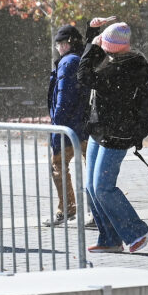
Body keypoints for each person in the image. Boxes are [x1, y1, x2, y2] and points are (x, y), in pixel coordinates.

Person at [77, 18, 148, 254]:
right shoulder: (114, 60)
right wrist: (92, 31)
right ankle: (109, 239)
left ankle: (137, 232)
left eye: (104, 44)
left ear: (111, 47)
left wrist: (93, 45)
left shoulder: (125, 68)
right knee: (91, 187)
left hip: (116, 134)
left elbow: (84, 76)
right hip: (100, 130)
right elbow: (89, 63)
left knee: (103, 188)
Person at [44, 24, 89, 226]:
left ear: (68, 43)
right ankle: (97, 212)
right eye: (58, 44)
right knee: (93, 170)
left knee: (58, 166)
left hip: (70, 128)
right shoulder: (83, 58)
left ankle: (66, 208)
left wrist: (57, 126)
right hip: (86, 127)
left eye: (61, 43)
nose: (59, 48)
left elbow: (63, 98)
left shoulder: (68, 62)